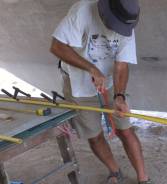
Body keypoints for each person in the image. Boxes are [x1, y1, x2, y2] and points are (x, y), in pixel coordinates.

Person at [50, 0, 152, 183]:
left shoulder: (126, 21)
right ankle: (115, 171)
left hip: (111, 82)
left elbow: (122, 65)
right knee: (94, 134)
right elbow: (57, 46)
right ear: (104, 13)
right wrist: (91, 69)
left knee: (125, 130)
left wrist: (119, 96)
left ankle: (143, 179)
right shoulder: (82, 11)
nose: (116, 30)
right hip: (77, 83)